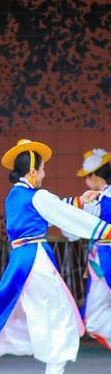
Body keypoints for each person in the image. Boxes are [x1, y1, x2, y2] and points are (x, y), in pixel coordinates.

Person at [0, 139, 111, 374]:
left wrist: (79, 200)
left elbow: (52, 207)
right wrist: (104, 230)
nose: (45, 174)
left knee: (29, 313)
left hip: (23, 257)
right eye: (43, 169)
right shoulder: (37, 196)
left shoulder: (16, 195)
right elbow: (59, 212)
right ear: (33, 171)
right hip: (36, 259)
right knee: (61, 313)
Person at [63, 148, 111, 349]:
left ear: (94, 176)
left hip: (105, 258)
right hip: (102, 257)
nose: (86, 181)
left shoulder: (96, 201)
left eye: (87, 177)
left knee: (94, 318)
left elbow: (73, 232)